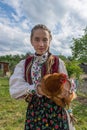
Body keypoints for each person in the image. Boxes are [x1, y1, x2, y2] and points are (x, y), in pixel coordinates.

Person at [9, 24, 75, 130]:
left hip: (56, 111)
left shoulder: (58, 62)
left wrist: (66, 88)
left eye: (45, 40)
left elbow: (68, 85)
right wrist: (37, 89)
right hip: (35, 112)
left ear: (50, 41)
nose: (41, 44)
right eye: (37, 39)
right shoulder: (24, 64)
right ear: (31, 41)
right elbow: (15, 89)